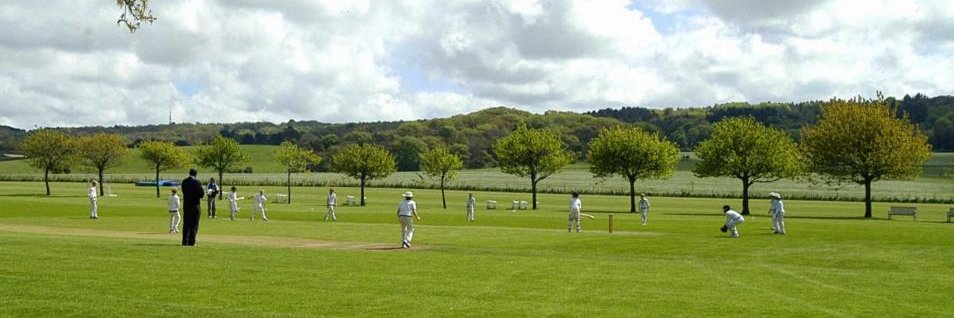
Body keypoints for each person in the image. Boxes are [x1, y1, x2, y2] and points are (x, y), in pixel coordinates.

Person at [180, 168, 205, 246]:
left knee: (186, 223)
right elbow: (201, 194)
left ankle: (185, 241)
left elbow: (184, 191)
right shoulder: (197, 182)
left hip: (186, 205)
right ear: (196, 174)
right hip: (195, 205)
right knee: (194, 224)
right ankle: (192, 241)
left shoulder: (184, 182)